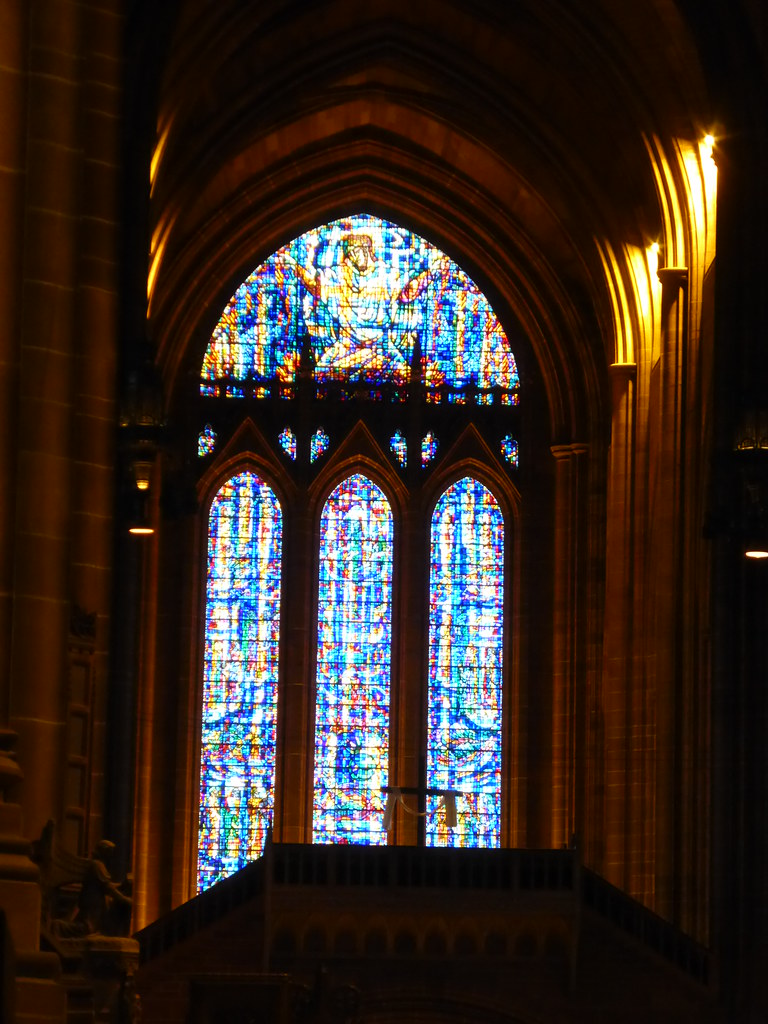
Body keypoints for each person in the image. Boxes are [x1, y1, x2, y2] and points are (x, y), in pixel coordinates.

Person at [279, 233, 444, 379]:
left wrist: (432, 273)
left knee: (407, 378)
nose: (354, 257)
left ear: (368, 250)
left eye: (357, 251)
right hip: (345, 346)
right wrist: (295, 267)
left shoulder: (386, 274)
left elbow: (408, 292)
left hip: (382, 347)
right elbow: (316, 286)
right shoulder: (339, 275)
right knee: (318, 376)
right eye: (350, 253)